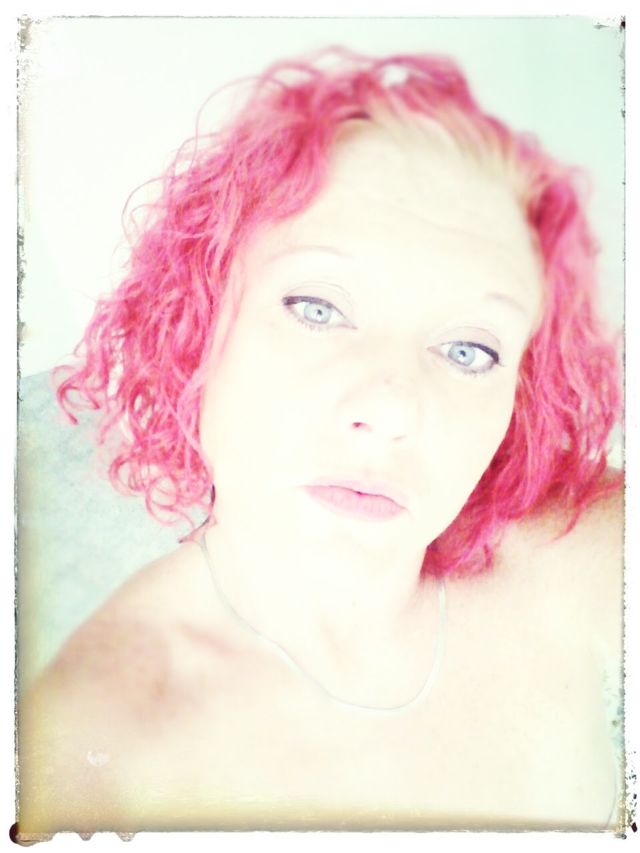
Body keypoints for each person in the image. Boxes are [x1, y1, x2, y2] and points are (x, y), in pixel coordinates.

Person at [18, 47, 624, 835]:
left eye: (469, 349)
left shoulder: (580, 553)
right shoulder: (88, 756)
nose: (391, 406)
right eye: (317, 307)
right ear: (198, 328)